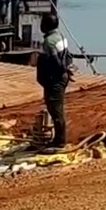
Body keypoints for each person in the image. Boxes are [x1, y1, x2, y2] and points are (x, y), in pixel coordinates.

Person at [36, 13, 74, 149]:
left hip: (55, 80)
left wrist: (52, 75)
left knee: (55, 110)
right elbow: (67, 57)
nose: (41, 25)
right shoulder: (61, 37)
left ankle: (60, 141)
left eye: (42, 23)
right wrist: (67, 71)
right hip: (62, 77)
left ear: (46, 25)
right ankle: (58, 139)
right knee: (56, 109)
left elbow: (55, 61)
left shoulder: (49, 41)